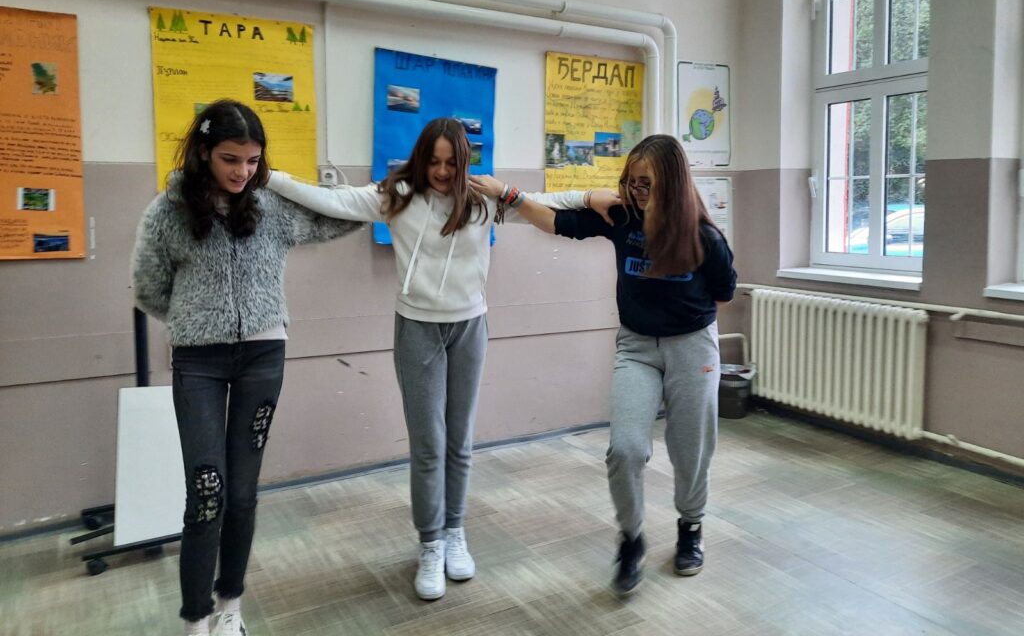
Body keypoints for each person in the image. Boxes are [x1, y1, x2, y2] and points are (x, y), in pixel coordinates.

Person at [265, 117, 620, 601]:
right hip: (417, 330)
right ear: (420, 158)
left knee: (460, 442)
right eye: (433, 161)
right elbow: (333, 200)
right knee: (429, 445)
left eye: (451, 163)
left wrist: (590, 195)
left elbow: (547, 203)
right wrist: (270, 177)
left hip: (469, 328)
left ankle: (455, 532)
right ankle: (430, 543)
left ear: (464, 162)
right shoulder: (397, 196)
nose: (441, 171)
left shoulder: (482, 199)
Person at [131, 100, 363, 636]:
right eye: (230, 159)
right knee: (207, 492)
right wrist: (196, 320)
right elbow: (148, 287)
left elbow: (341, 217)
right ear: (204, 153)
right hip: (199, 362)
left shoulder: (271, 207)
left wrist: (391, 194)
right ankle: (195, 620)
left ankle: (230, 607)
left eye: (253, 161)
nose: (242, 171)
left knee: (241, 494)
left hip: (263, 357)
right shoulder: (168, 212)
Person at [470, 134, 736, 595]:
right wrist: (507, 194)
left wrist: (682, 328)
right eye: (631, 182)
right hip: (636, 347)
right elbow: (555, 221)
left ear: (672, 183)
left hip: (692, 348)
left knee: (691, 449)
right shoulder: (622, 217)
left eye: (646, 183)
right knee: (625, 450)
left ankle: (690, 527)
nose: (636, 191)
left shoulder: (705, 236)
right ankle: (631, 538)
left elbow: (723, 294)